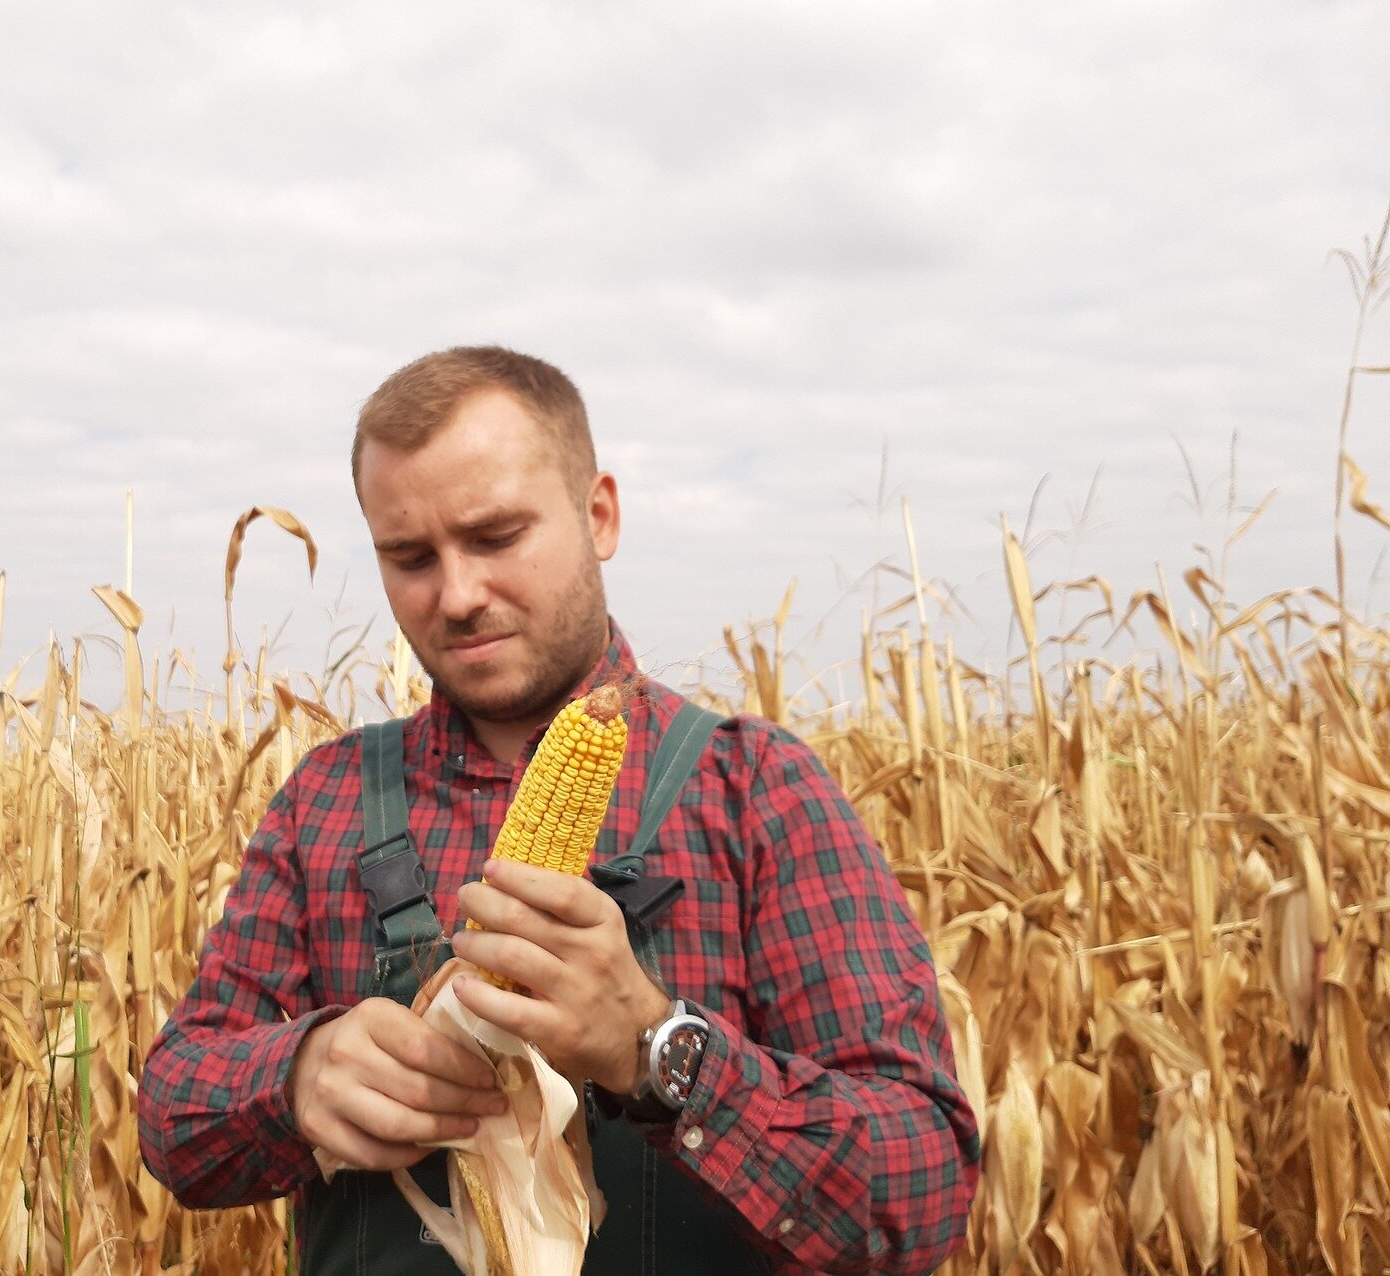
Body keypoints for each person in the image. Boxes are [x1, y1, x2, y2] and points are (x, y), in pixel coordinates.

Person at [138, 346, 981, 1274]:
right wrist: (296, 1076)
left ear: (599, 514)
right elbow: (175, 1112)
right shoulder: (328, 801)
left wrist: (655, 1048)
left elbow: (923, 1186)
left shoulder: (757, 791)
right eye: (410, 557)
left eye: (496, 537)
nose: (457, 595)